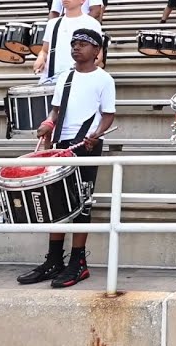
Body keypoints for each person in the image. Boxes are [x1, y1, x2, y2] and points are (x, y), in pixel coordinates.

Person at [17, 29, 116, 288]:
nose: (76, 48)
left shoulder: (104, 79)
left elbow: (108, 115)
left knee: (82, 204)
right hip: (61, 145)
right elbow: (56, 111)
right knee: (56, 203)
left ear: (97, 51)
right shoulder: (66, 77)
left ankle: (78, 262)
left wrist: (96, 134)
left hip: (86, 146)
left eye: (83, 44)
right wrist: (48, 125)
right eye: (74, 44)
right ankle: (54, 260)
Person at [34, 0, 104, 81]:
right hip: (52, 79)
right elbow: (45, 50)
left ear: (82, 0)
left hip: (79, 79)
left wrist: (83, 70)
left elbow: (98, 55)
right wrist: (41, 58)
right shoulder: (53, 23)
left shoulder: (91, 23)